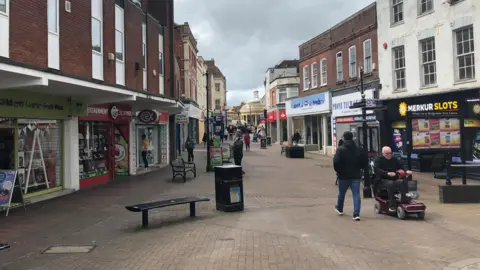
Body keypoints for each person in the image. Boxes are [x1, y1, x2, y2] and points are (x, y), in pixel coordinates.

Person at [333, 131, 368, 221]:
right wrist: (360, 169)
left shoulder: (340, 149)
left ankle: (340, 208)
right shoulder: (359, 149)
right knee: (356, 194)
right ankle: (356, 214)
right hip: (356, 175)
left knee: (342, 193)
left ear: (344, 138)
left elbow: (336, 162)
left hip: (343, 176)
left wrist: (339, 171)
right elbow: (364, 161)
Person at [374, 146, 412, 212]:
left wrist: (406, 171)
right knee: (391, 184)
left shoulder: (394, 159)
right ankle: (392, 205)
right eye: (387, 153)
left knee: (402, 181)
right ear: (383, 154)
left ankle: (404, 200)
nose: (389, 155)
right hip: (382, 180)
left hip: (394, 178)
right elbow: (376, 170)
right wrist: (387, 173)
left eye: (390, 153)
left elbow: (402, 165)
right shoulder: (378, 160)